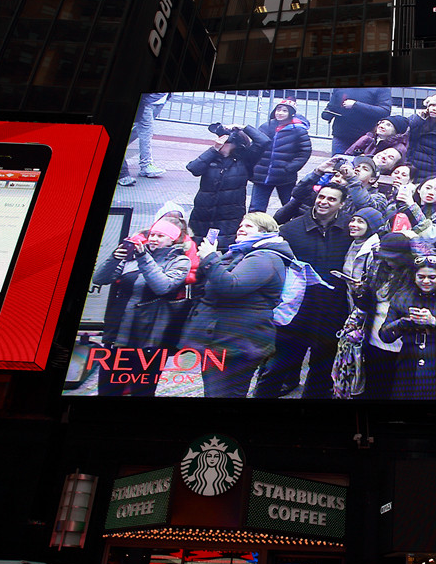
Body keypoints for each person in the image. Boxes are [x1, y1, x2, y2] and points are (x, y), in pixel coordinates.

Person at [256, 183, 354, 399]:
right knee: (276, 367)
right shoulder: (291, 230)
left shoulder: (350, 230)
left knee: (322, 370)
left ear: (342, 204)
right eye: (322, 197)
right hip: (296, 312)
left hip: (332, 312)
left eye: (331, 199)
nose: (324, 202)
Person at [181, 213, 292, 398]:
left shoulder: (264, 258)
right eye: (241, 225)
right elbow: (209, 284)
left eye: (249, 226)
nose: (241, 229)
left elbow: (231, 286)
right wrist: (210, 259)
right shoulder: (240, 253)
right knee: (219, 392)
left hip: (237, 342)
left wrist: (210, 258)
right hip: (225, 338)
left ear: (265, 231)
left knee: (223, 393)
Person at [92, 217, 192, 396]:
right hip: (117, 334)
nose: (154, 238)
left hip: (150, 337)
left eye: (160, 235)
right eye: (152, 234)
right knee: (108, 389)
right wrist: (114, 258)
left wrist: (143, 258)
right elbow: (100, 279)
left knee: (142, 390)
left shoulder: (180, 262)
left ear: (173, 239)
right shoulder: (134, 255)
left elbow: (162, 287)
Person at [380, 251, 436, 399]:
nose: (426, 281)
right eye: (421, 277)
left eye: (432, 277)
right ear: (414, 277)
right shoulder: (402, 296)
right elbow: (385, 335)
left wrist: (434, 323)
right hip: (408, 366)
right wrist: (404, 322)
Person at [187, 124, 270, 250]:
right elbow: (194, 168)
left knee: (224, 248)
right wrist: (214, 149)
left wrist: (243, 127)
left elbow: (263, 141)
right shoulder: (212, 157)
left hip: (229, 215)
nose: (220, 143)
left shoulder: (244, 159)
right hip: (203, 213)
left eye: (224, 141)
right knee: (197, 246)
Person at [352, 232, 415, 399]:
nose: (388, 261)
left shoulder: (415, 275)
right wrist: (359, 293)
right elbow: (368, 305)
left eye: (392, 258)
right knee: (373, 385)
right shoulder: (379, 268)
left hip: (400, 342)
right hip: (374, 338)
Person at [250, 98, 313, 212]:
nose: (280, 113)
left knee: (290, 206)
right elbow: (256, 145)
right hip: (262, 175)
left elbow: (305, 151)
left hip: (284, 176)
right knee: (256, 208)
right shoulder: (266, 126)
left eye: (284, 111)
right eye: (278, 110)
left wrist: (291, 168)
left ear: (291, 113)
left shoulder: (298, 130)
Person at [322, 88, 392, 154]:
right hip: (341, 137)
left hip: (367, 139)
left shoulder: (380, 88)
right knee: (337, 164)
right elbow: (332, 106)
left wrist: (356, 105)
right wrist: (327, 113)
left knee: (362, 165)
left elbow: (384, 111)